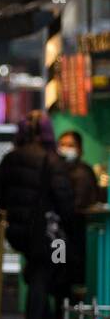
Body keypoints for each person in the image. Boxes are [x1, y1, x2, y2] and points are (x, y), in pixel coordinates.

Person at [0, 111, 75, 319]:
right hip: (45, 233)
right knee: (42, 277)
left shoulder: (11, 158)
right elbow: (64, 199)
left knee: (35, 274)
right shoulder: (51, 160)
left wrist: (12, 210)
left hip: (18, 231)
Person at [55, 129, 100, 307]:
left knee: (66, 280)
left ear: (80, 149)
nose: (66, 148)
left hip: (73, 236)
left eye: (71, 145)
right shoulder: (59, 170)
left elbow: (77, 205)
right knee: (60, 279)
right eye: (63, 144)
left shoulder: (82, 173)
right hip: (62, 238)